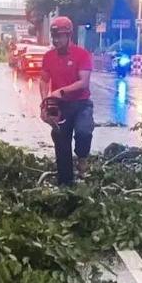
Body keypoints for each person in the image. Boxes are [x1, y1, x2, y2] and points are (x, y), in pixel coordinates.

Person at [40, 16, 94, 186]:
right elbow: (43, 80)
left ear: (69, 35)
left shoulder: (82, 54)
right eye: (54, 37)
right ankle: (65, 185)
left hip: (81, 104)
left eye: (60, 36)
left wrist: (60, 91)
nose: (56, 40)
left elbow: (83, 82)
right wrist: (45, 103)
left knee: (84, 132)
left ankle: (82, 159)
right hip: (60, 106)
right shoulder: (48, 57)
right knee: (61, 142)